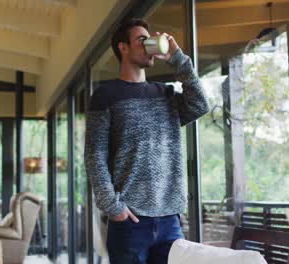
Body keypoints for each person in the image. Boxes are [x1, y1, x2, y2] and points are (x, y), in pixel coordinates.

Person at [85, 18, 209, 264]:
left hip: (170, 222)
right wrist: (114, 207)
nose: (149, 44)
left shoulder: (166, 94)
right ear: (123, 47)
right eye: (142, 40)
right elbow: (94, 155)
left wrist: (178, 59)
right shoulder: (105, 96)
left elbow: (200, 105)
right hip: (130, 221)